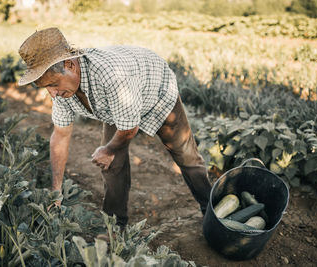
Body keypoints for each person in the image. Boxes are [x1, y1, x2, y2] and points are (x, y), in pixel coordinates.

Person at [18, 27, 212, 227]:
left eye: (54, 84)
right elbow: (60, 135)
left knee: (186, 155)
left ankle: (210, 209)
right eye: (46, 87)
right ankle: (114, 226)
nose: (52, 93)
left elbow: (129, 128)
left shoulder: (111, 76)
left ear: (70, 64)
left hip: (155, 90)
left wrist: (108, 148)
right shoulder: (62, 90)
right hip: (120, 107)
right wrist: (56, 190)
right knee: (111, 164)